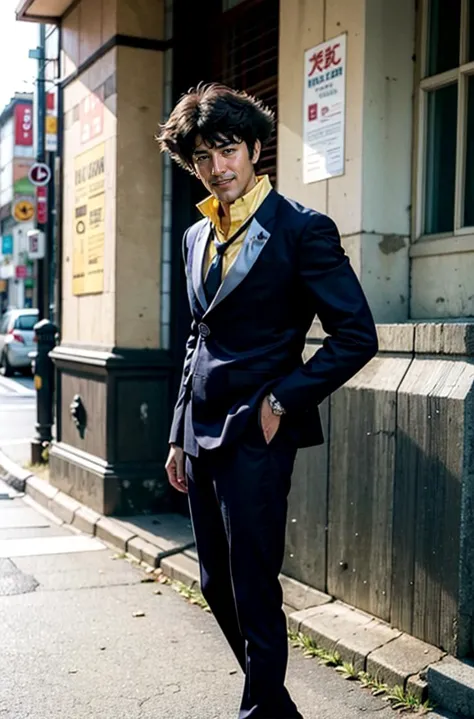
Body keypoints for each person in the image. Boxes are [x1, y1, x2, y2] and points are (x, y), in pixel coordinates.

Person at [158, 83, 378, 719]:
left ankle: (259, 714)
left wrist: (282, 398)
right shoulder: (195, 237)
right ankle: (276, 709)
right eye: (202, 157)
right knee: (214, 585)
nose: (217, 167)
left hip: (259, 431)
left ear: (254, 148)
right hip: (198, 433)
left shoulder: (302, 229)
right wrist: (176, 432)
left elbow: (356, 336)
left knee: (254, 585)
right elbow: (199, 336)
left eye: (227, 150)